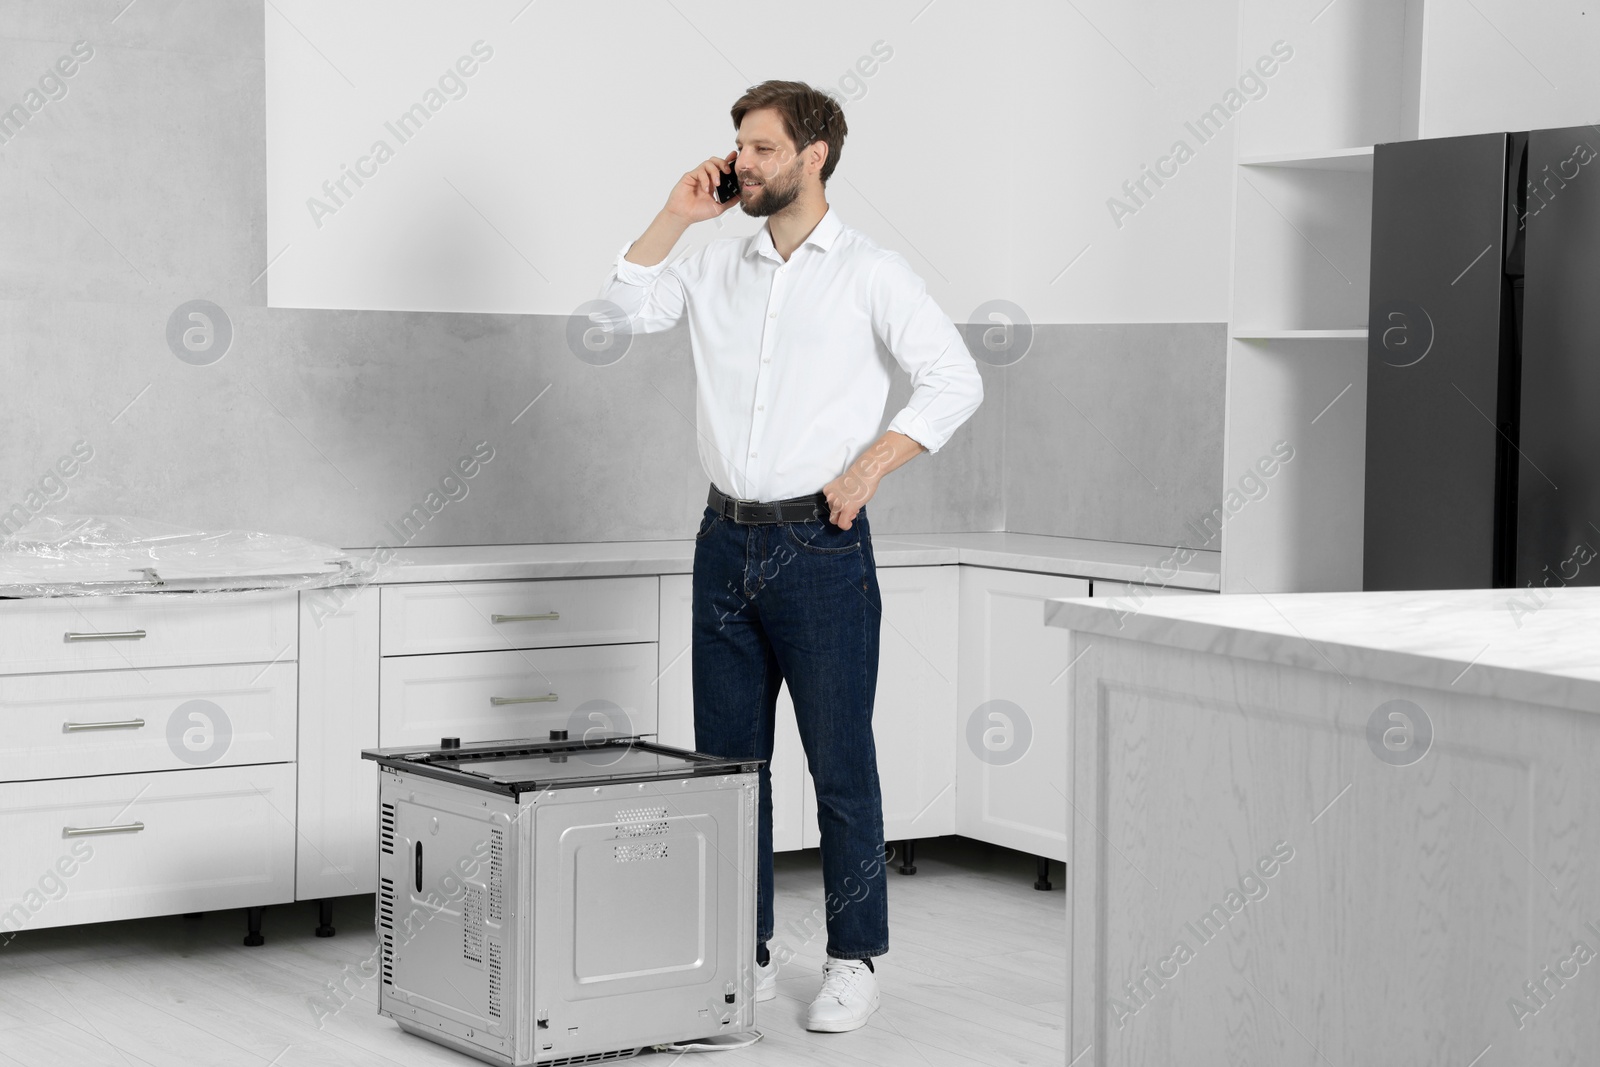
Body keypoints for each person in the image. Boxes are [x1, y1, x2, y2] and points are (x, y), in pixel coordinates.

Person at [597, 79, 982, 1033]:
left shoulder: (873, 273)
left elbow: (953, 377)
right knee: (730, 769)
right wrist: (675, 216)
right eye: (739, 144)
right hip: (722, 541)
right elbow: (615, 316)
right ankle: (744, 952)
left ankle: (854, 956)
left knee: (840, 760)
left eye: (762, 147)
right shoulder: (713, 266)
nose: (741, 162)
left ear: (814, 157)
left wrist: (872, 464)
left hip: (821, 544)